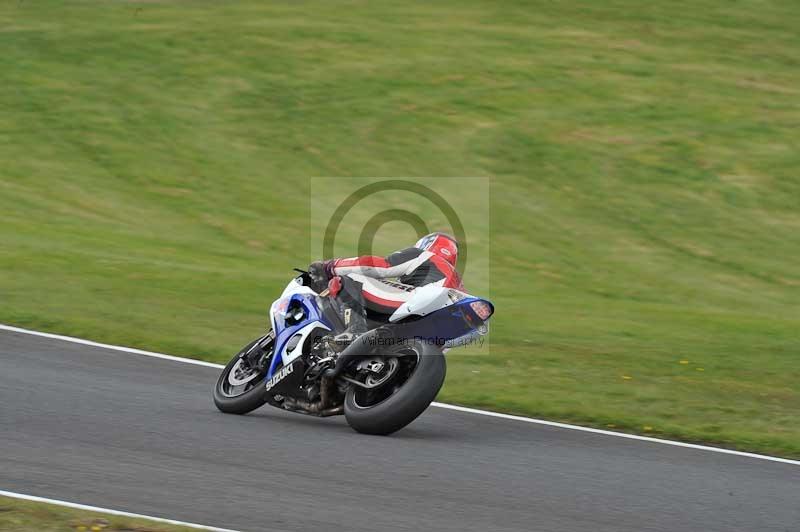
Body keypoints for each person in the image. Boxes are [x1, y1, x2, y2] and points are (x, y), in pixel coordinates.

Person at [308, 232, 463, 339]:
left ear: (428, 244)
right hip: (438, 325)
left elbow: (376, 266)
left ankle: (355, 329)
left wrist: (329, 267)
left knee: (349, 277)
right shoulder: (458, 283)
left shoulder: (423, 255)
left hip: (419, 301)